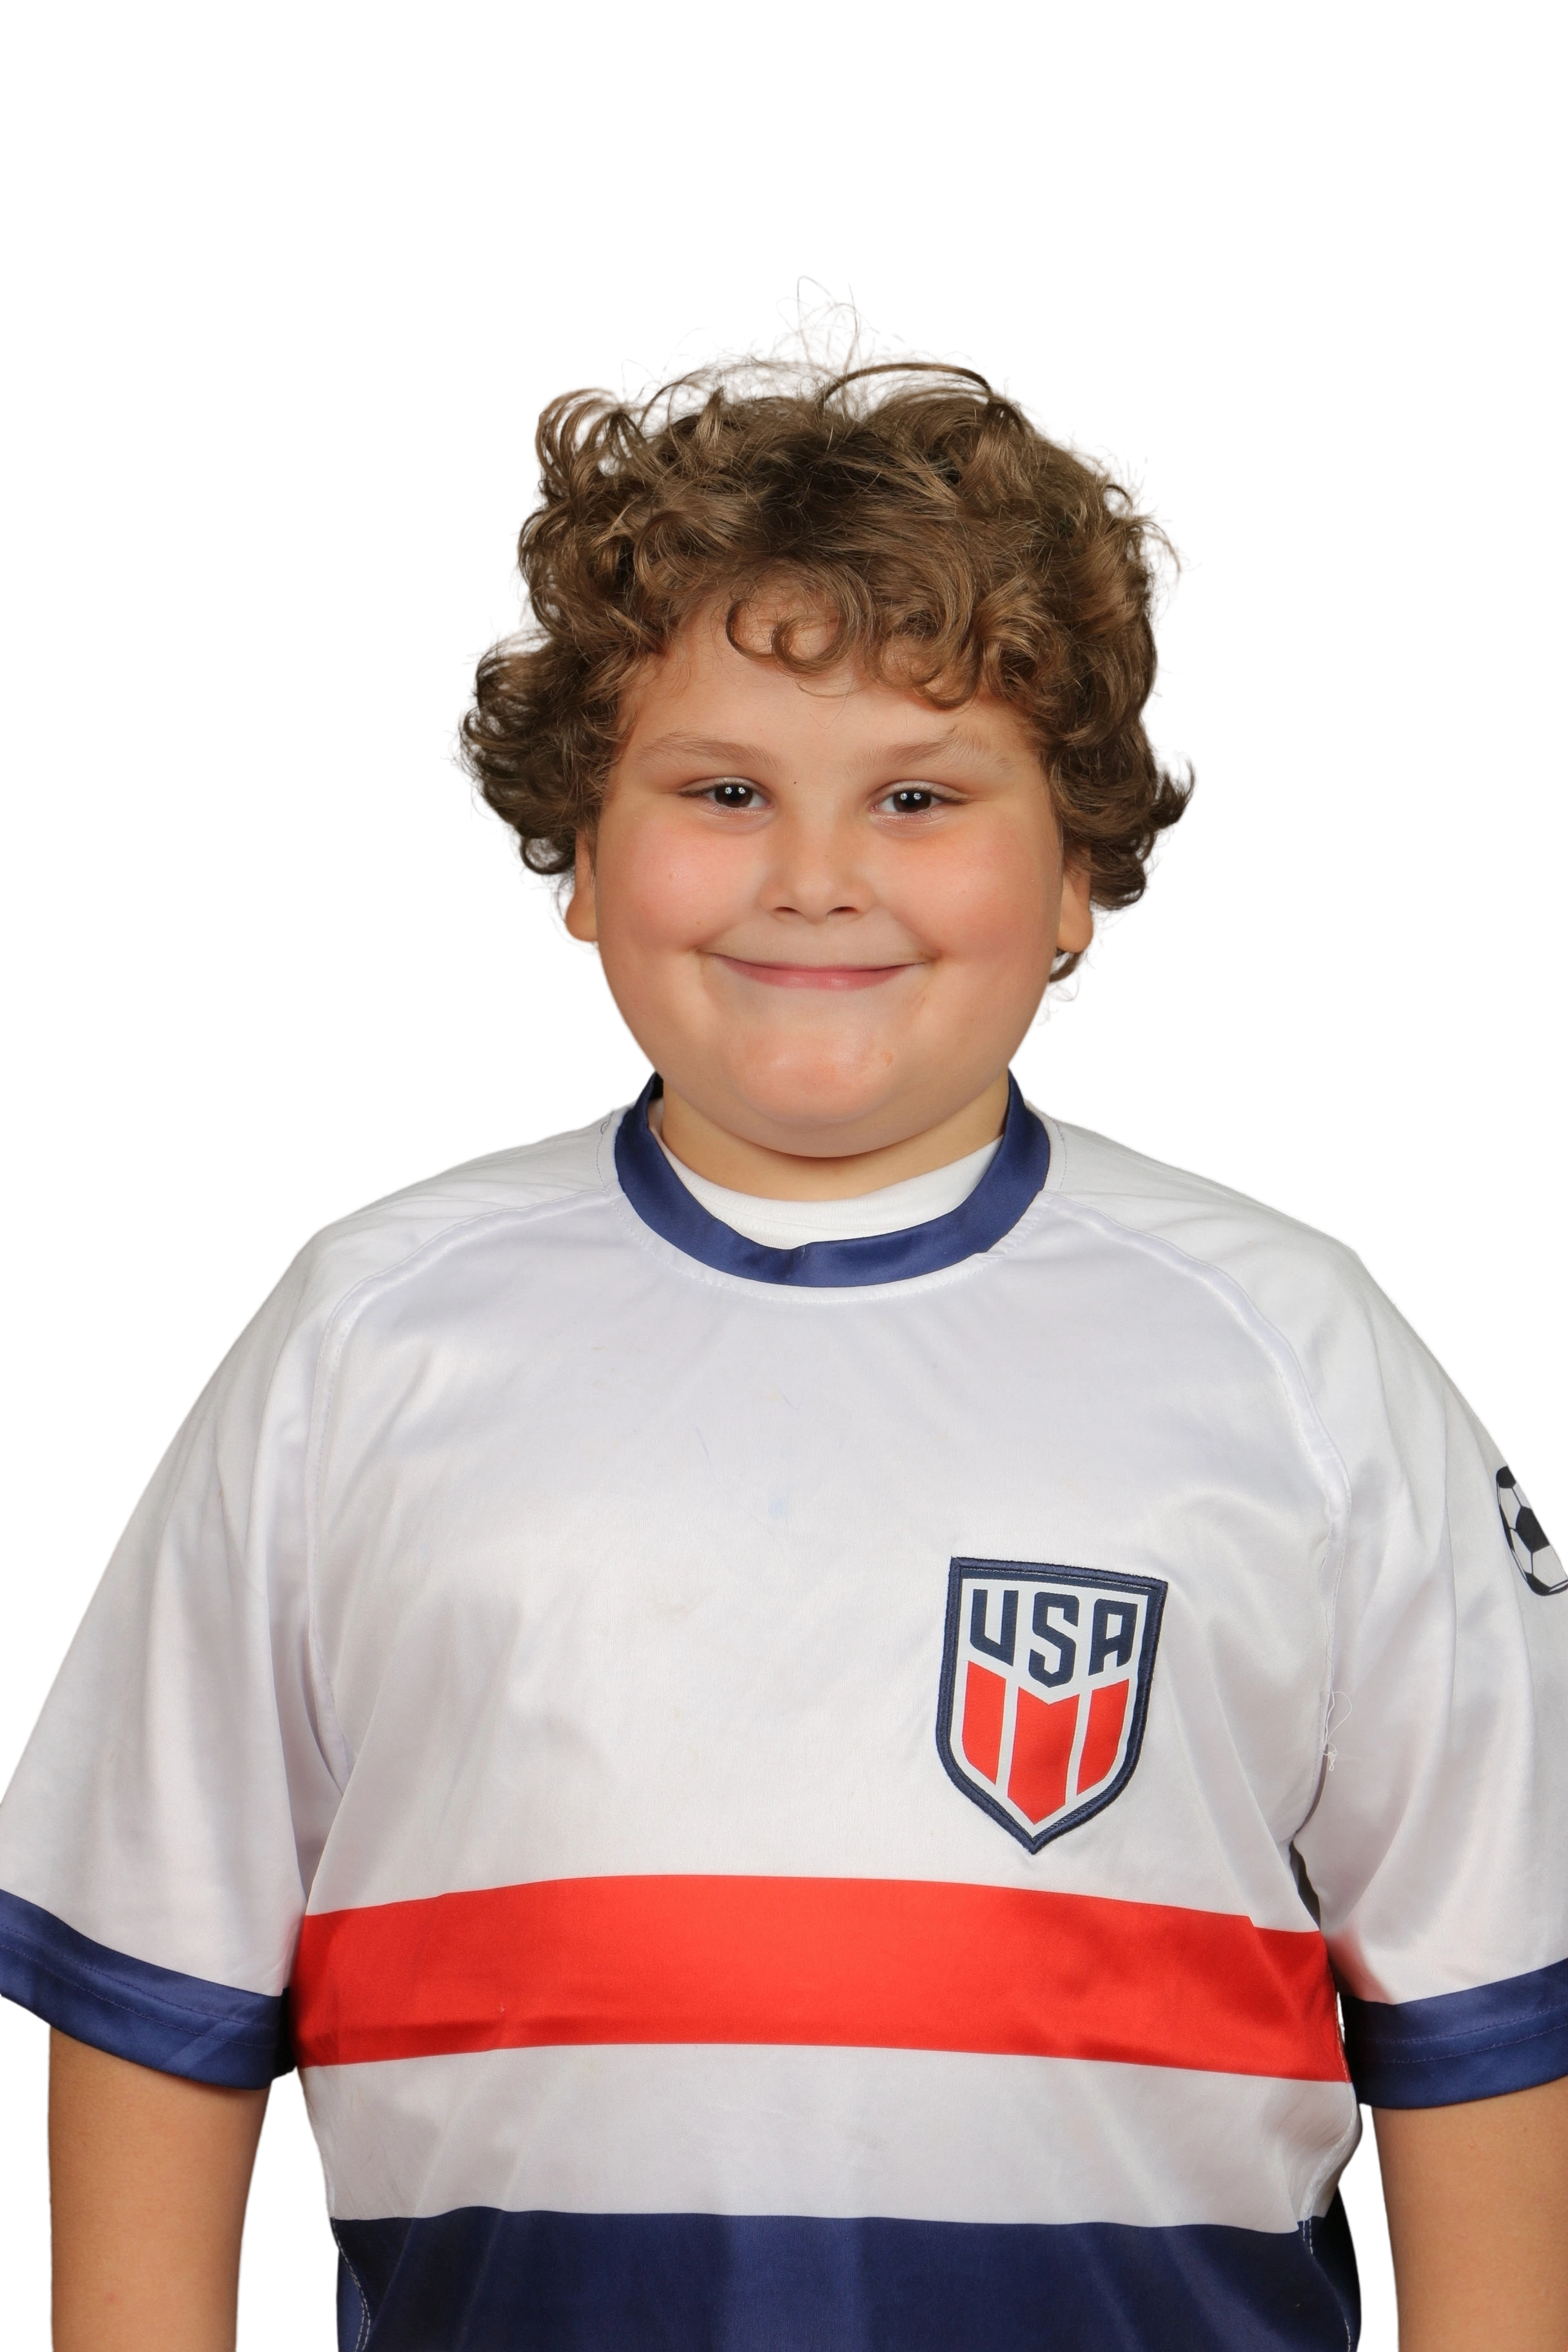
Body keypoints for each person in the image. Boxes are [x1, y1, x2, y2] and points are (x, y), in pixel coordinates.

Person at [4, 277, 1567, 2352]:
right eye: (722, 792)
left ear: (1080, 866)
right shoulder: (365, 1335)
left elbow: (1490, 2019)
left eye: (920, 797)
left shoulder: (1299, 1352)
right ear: (578, 854)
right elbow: (154, 1994)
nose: (817, 876)